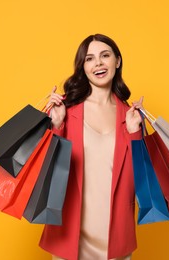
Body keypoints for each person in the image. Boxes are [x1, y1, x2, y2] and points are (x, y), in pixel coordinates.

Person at [40, 34, 144, 260]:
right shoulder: (65, 109)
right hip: (71, 230)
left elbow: (142, 178)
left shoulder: (130, 116)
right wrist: (56, 125)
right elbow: (45, 170)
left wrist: (136, 132)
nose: (98, 63)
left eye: (104, 55)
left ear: (117, 61)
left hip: (115, 231)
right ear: (83, 67)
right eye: (89, 58)